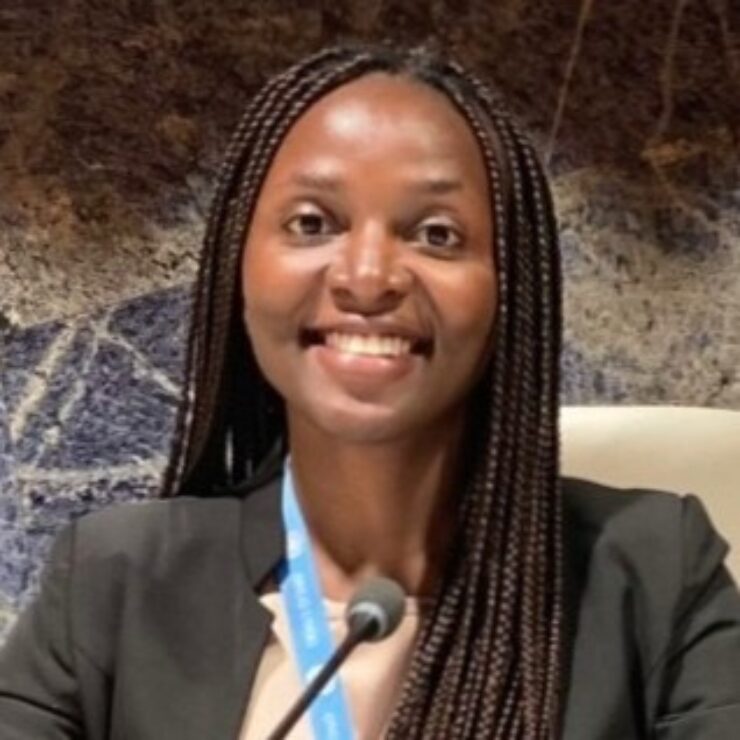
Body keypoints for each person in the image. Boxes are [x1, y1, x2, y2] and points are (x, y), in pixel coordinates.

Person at [0, 44, 738, 740]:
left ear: (510, 287)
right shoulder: (114, 578)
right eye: (312, 223)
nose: (367, 277)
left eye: (437, 234)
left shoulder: (654, 572)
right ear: (238, 263)